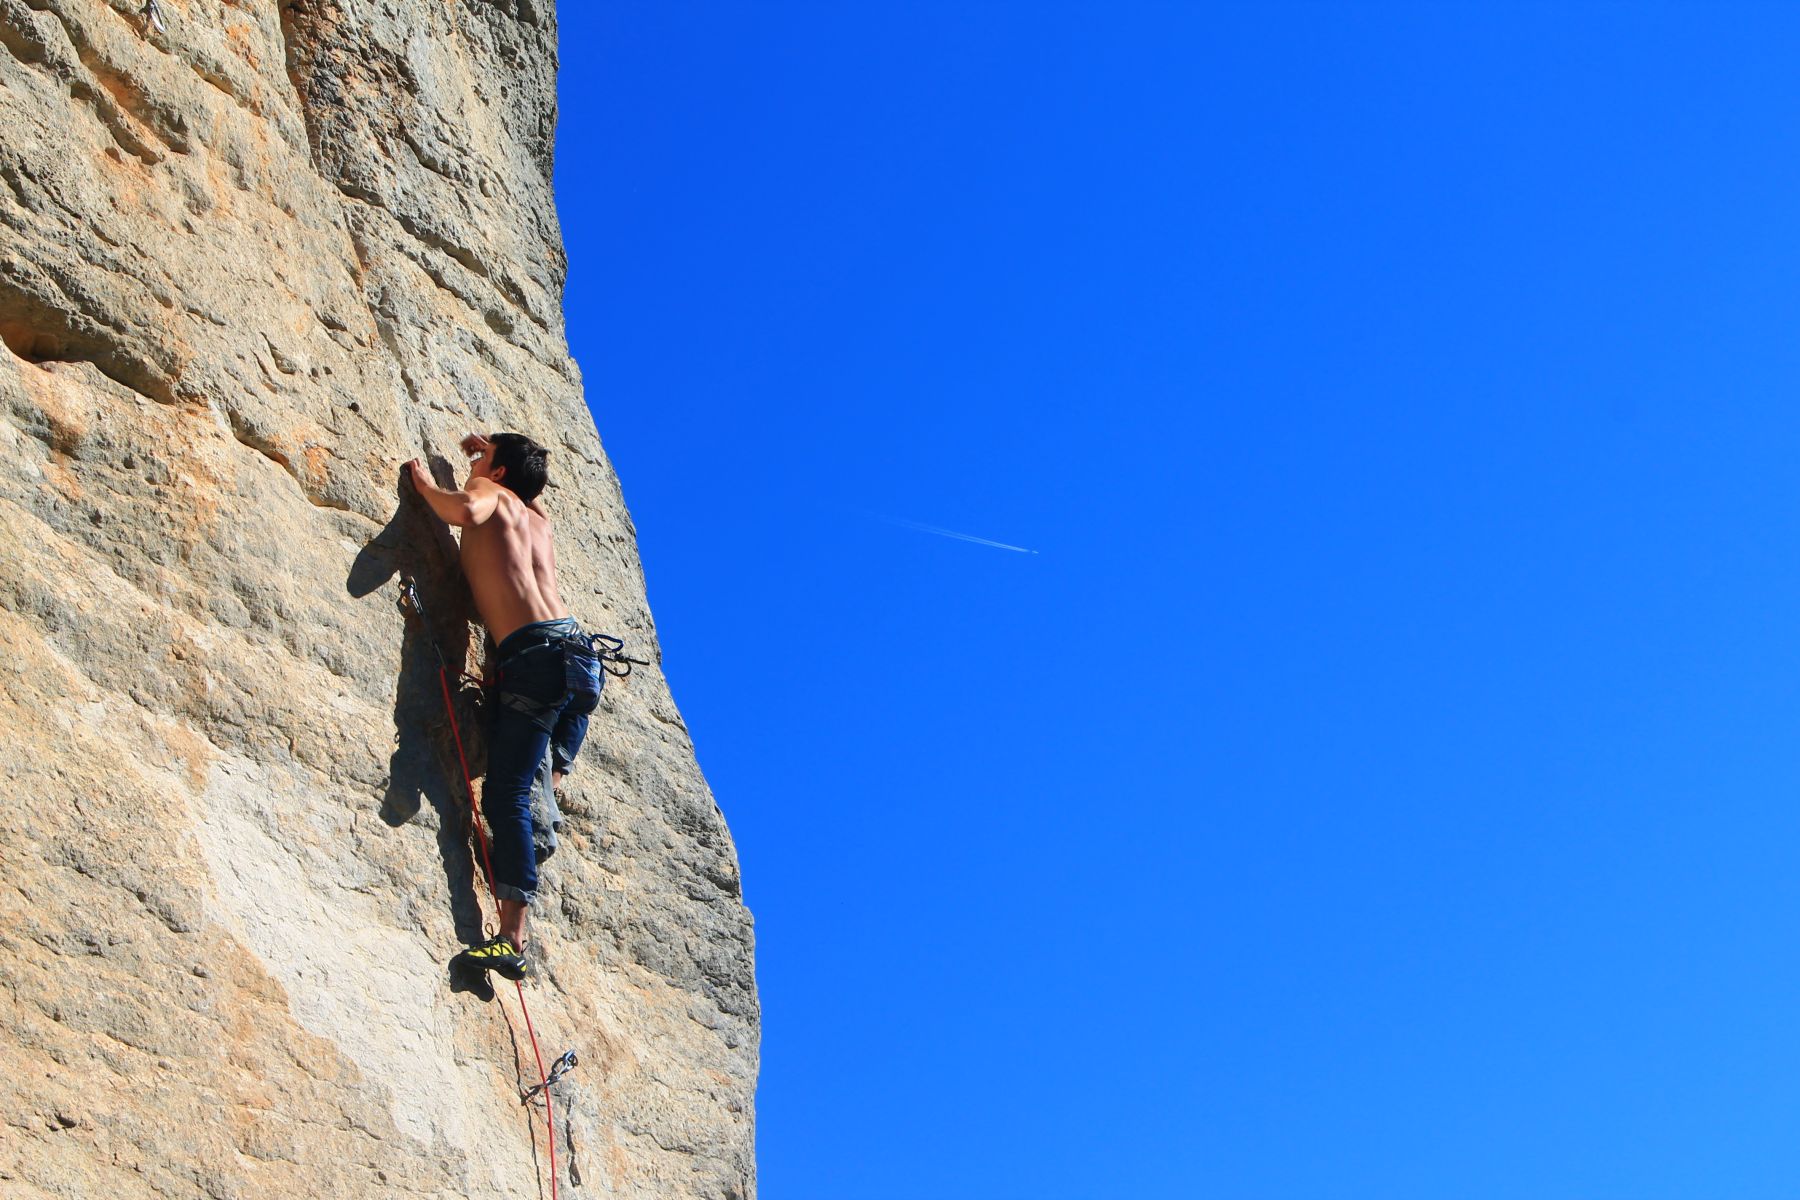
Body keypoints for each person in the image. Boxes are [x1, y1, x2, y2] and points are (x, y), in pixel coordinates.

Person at [406, 432, 601, 989]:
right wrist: (505, 456)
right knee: (535, 771)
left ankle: (511, 940)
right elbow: (529, 489)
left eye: (483, 459)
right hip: (580, 660)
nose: (475, 463)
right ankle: (556, 770)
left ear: (500, 474)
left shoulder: (490, 493)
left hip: (533, 661)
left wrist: (424, 485)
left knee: (505, 795)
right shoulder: (539, 521)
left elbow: (467, 508)